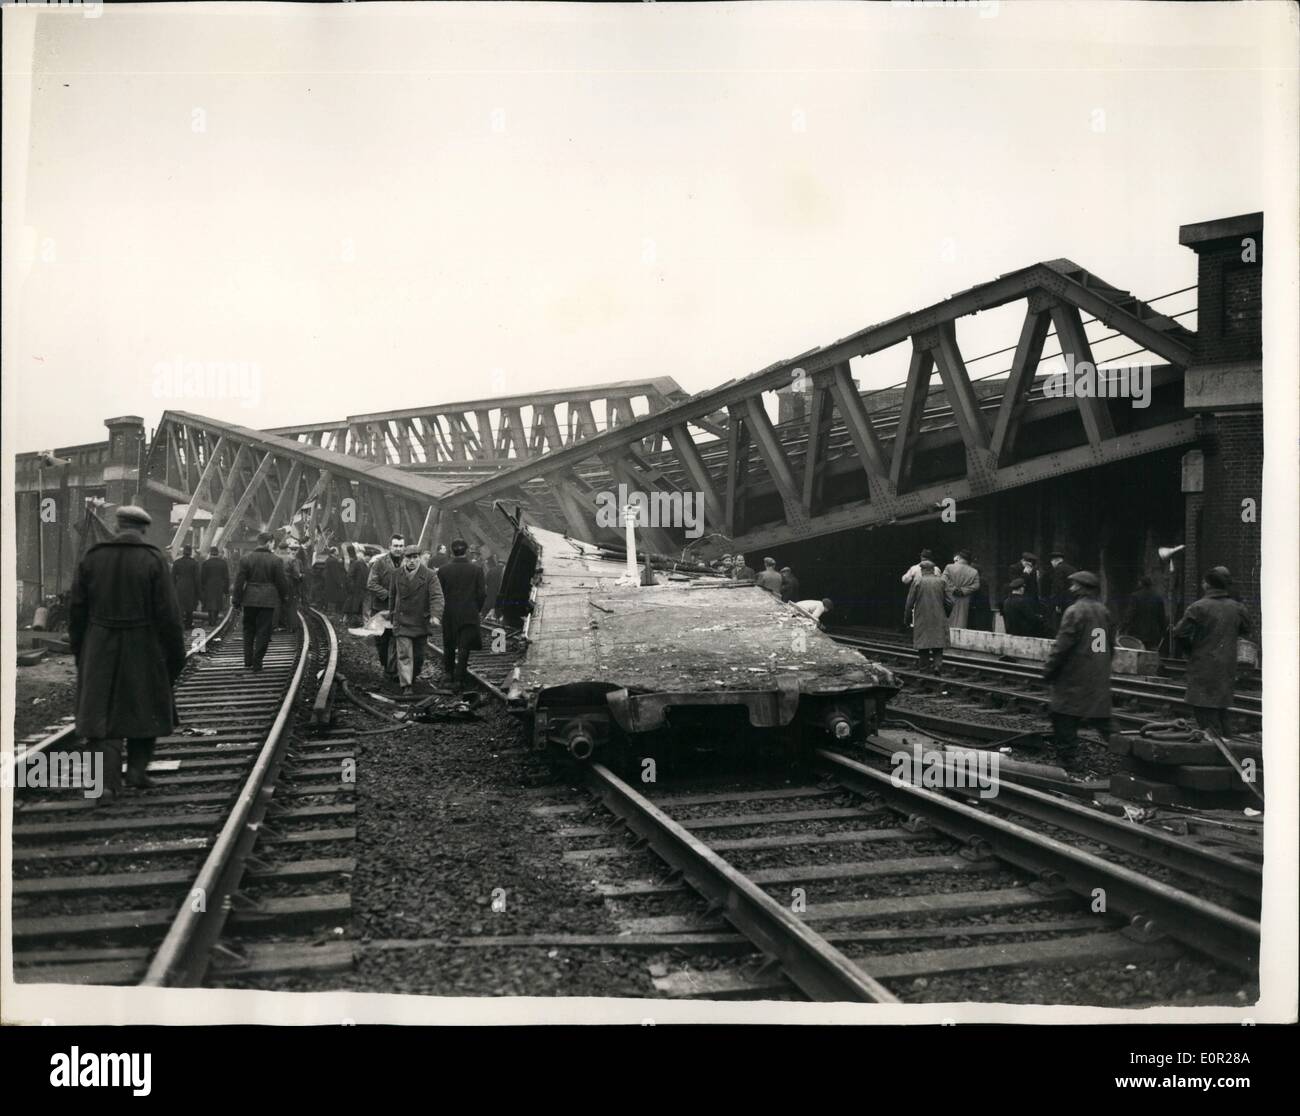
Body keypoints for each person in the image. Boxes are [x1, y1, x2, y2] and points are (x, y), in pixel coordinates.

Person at [68, 505, 186, 801]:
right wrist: (174, 656)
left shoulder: (93, 558)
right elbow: (169, 615)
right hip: (143, 644)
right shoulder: (153, 559)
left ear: (118, 526)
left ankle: (105, 784)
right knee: (144, 708)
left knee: (101, 716)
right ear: (143, 529)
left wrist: (82, 651)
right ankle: (136, 771)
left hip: (99, 643)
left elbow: (77, 611)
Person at [1041, 570, 1113, 770]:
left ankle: (1068, 758)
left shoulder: (1074, 611)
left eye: (1075, 585)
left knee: (1062, 715)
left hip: (1073, 674)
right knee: (1101, 718)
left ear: (1083, 588)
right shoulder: (1103, 611)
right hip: (1097, 670)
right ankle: (1128, 753)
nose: (1071, 588)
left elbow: (1062, 645)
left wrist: (1049, 669)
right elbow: (1108, 644)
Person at [1172, 567, 1250, 737]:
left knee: (1205, 713)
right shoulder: (1237, 608)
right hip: (1227, 666)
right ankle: (1227, 745)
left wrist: (1190, 649)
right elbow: (1246, 630)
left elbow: (1179, 633)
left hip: (1203, 665)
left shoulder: (1198, 607)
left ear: (1207, 585)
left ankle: (1217, 750)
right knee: (1221, 711)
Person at [385, 548, 445, 694]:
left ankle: (412, 676)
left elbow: (437, 596)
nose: (412, 561)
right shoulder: (396, 574)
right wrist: (392, 616)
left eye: (415, 557)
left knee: (418, 657)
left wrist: (435, 615)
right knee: (404, 654)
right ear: (404, 558)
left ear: (420, 558)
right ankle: (406, 685)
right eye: (408, 557)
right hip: (402, 621)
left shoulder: (430, 575)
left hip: (420, 621)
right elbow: (393, 596)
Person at [234, 531, 290, 672]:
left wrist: (237, 600)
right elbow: (281, 583)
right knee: (264, 631)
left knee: (248, 629)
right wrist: (285, 598)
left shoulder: (246, 559)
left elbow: (239, 582)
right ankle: (257, 662)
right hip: (268, 600)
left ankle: (248, 660)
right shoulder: (276, 560)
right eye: (273, 542)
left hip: (250, 599)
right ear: (269, 542)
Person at [437, 538, 487, 690]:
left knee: (449, 644)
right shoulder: (477, 570)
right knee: (464, 647)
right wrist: (475, 609)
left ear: (451, 551)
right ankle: (459, 679)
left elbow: (438, 594)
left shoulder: (443, 570)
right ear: (466, 551)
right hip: (469, 613)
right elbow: (482, 594)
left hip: (449, 613)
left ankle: (448, 675)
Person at [367, 534, 406, 679]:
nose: (398, 549)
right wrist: (389, 594)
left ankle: (392, 671)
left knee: (398, 639)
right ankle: (386, 665)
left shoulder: (408, 561)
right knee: (382, 641)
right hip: (381, 609)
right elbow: (371, 584)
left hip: (400, 610)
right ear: (390, 546)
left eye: (401, 546)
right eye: (395, 546)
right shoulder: (380, 563)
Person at [904, 559, 953, 673]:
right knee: (938, 643)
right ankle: (937, 666)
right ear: (933, 570)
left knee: (923, 643)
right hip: (939, 616)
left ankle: (924, 668)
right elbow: (950, 602)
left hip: (922, 616)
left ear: (922, 570)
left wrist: (907, 619)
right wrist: (946, 613)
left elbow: (909, 603)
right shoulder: (941, 581)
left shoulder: (917, 581)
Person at [1122, 575, 1168, 651]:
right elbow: (1161, 617)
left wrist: (1123, 627)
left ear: (1141, 584)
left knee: (1138, 655)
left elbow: (1130, 614)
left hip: (1137, 633)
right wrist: (1163, 632)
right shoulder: (1158, 597)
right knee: (1150, 656)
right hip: (1153, 635)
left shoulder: (1135, 596)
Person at [942, 549, 980, 629]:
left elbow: (943, 579)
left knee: (948, 621)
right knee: (962, 621)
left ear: (959, 557)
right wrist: (963, 591)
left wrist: (953, 589)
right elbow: (976, 585)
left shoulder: (949, 567)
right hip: (964, 599)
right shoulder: (974, 571)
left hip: (950, 597)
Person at [172, 543, 201, 629]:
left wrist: (173, 588)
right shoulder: (194, 563)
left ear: (183, 552)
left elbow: (172, 577)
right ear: (190, 552)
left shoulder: (177, 562)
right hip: (190, 586)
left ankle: (180, 624)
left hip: (180, 586)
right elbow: (197, 579)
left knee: (180, 606)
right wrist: (198, 591)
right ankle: (188, 624)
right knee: (189, 607)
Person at [1047, 550, 1078, 630]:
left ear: (1055, 561)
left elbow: (1058, 587)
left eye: (1052, 562)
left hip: (1063, 602)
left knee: (1060, 623)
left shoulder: (1058, 569)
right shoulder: (1072, 568)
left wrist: (1057, 604)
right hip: (1073, 600)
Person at [200, 545, 230, 622]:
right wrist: (226, 589)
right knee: (217, 602)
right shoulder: (223, 563)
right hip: (219, 586)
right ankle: (215, 618)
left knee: (210, 603)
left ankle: (210, 619)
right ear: (218, 553)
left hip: (209, 586)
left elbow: (202, 577)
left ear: (210, 553)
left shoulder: (206, 563)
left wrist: (203, 587)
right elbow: (226, 577)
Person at [344, 544, 370, 627]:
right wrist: (352, 587)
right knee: (353, 606)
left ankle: (354, 622)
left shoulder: (365, 565)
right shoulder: (357, 563)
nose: (368, 559)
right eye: (367, 557)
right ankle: (350, 622)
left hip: (362, 590)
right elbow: (350, 576)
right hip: (356, 589)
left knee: (357, 606)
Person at [323, 546, 347, 611]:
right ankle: (331, 612)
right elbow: (335, 573)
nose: (338, 552)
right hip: (333, 583)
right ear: (334, 552)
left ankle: (329, 611)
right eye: (337, 551)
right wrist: (340, 583)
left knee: (330, 597)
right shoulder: (333, 561)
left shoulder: (329, 559)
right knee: (333, 597)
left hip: (329, 581)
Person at [483, 552, 504, 619]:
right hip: (499, 599)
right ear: (504, 564)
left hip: (490, 597)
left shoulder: (491, 570)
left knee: (484, 614)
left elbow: (485, 582)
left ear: (498, 563)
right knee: (498, 617)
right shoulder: (505, 573)